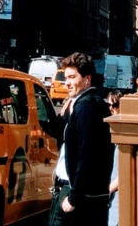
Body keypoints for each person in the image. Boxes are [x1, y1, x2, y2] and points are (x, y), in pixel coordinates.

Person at [50, 52, 113, 226]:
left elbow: (87, 155)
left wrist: (73, 198)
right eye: (66, 77)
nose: (67, 83)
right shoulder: (85, 103)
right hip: (81, 192)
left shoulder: (86, 106)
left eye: (72, 77)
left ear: (87, 79)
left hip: (76, 194)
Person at [106, 90, 123, 226]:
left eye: (115, 105)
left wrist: (108, 189)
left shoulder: (124, 134)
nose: (111, 108)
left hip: (118, 197)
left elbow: (124, 172)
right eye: (109, 105)